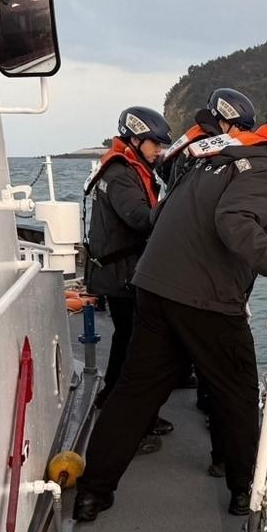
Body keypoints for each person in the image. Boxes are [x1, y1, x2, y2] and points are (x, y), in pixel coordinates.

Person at [74, 98, 267, 522]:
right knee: (237, 394)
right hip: (207, 299)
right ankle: (244, 492)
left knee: (133, 393)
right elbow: (236, 223)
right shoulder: (265, 168)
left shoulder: (214, 155)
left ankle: (92, 493)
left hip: (153, 286)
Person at [153, 87, 258, 472]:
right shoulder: (212, 151)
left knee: (154, 372)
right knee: (227, 379)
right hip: (207, 283)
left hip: (171, 268)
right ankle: (229, 464)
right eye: (239, 128)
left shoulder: (189, 145)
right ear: (226, 122)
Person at [84, 106, 175, 451]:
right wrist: (178, 200)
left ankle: (110, 398)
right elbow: (140, 218)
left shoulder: (123, 168)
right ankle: (131, 423)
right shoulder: (121, 175)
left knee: (126, 340)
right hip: (120, 274)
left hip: (117, 270)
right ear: (135, 141)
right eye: (154, 144)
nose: (159, 151)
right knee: (138, 347)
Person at [156, 86, 257, 194]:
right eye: (240, 127)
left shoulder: (202, 140)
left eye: (247, 130)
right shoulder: (200, 150)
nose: (244, 134)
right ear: (223, 123)